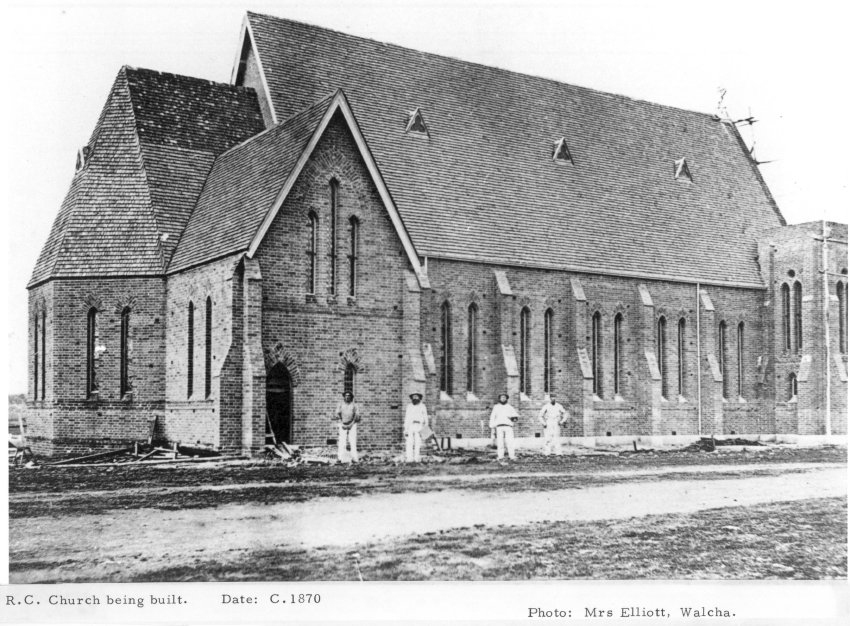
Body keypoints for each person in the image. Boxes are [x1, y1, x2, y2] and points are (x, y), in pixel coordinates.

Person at [488, 392, 519, 461]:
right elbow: (492, 417)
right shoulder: (496, 407)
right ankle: (500, 456)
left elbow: (515, 417)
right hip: (499, 426)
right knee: (500, 442)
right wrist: (492, 426)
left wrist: (513, 418)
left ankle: (512, 456)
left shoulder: (509, 407)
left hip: (508, 426)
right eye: (502, 397)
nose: (503, 399)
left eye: (504, 397)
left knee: (510, 442)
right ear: (499, 399)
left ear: (506, 399)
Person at [334, 391, 361, 463]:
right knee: (342, 442)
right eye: (346, 395)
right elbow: (337, 414)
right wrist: (341, 423)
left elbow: (357, 416)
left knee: (352, 441)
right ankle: (340, 458)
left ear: (351, 397)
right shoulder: (340, 405)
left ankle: (354, 458)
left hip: (352, 424)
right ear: (344, 397)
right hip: (342, 424)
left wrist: (351, 424)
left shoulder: (355, 405)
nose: (347, 397)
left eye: (349, 396)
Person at [404, 392, 429, 462]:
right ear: (412, 398)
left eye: (416, 397)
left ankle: (416, 458)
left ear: (419, 398)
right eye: (413, 397)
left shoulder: (423, 406)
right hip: (411, 425)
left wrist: (425, 427)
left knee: (418, 442)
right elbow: (407, 417)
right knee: (409, 442)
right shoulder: (409, 406)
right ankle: (409, 458)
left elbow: (425, 418)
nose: (415, 398)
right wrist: (406, 428)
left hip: (419, 425)